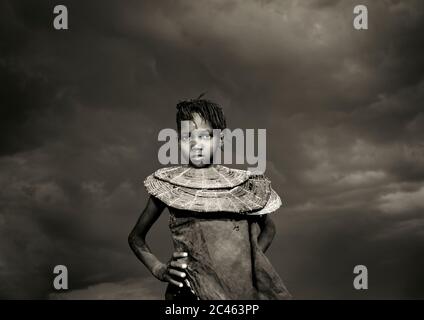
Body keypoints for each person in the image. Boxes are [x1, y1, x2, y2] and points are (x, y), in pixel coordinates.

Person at [128, 97, 291, 300]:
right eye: (188, 137)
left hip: (238, 295)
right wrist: (160, 269)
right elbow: (136, 238)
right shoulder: (169, 186)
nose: (196, 144)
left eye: (205, 136)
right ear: (179, 140)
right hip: (188, 294)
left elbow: (270, 228)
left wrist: (248, 262)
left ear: (220, 139)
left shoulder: (240, 187)